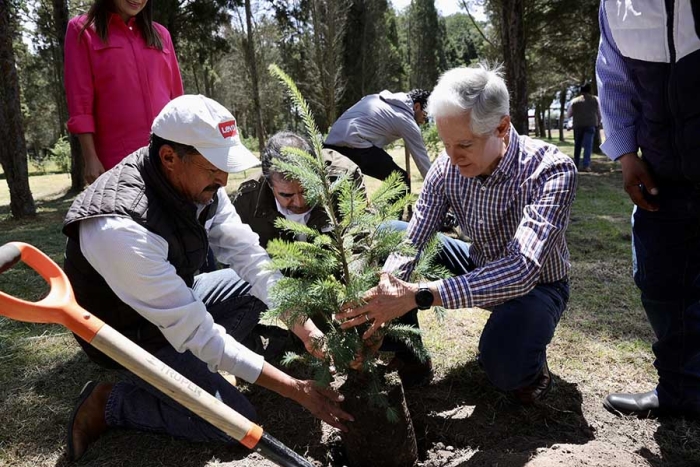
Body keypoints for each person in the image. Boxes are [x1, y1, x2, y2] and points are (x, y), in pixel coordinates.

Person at [61, 95, 352, 461]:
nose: (224, 178)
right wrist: (295, 389)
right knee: (232, 422)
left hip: (176, 297)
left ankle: (223, 369)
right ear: (169, 157)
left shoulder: (199, 183)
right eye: (215, 166)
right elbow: (198, 334)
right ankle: (110, 402)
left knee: (251, 284)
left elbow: (248, 255)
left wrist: (304, 326)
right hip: (131, 335)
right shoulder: (121, 230)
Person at [337, 64, 577, 404]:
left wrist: (419, 294)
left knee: (505, 370)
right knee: (391, 234)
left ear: (502, 127)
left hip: (538, 286)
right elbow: (414, 236)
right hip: (475, 262)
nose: (452, 156)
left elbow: (522, 269)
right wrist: (389, 284)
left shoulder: (551, 170)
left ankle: (531, 369)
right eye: (445, 143)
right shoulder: (448, 167)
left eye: (464, 144)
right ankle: (410, 355)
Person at [596, 0, 700, 419]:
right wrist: (624, 153)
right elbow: (613, 77)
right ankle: (679, 390)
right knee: (657, 281)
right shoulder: (616, 5)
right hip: (660, 173)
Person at [65, 0, 184, 184]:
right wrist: (90, 158)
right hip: (116, 163)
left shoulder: (161, 34)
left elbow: (177, 99)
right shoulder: (82, 29)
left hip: (168, 159)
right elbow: (80, 102)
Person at [233, 131, 365, 249]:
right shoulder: (249, 197)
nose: (300, 203)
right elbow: (237, 251)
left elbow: (363, 237)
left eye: (306, 191)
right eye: (286, 195)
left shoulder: (345, 178)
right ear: (269, 184)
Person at [324, 89, 432, 189]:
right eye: (425, 115)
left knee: (348, 185)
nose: (424, 121)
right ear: (417, 106)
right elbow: (423, 162)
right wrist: (439, 190)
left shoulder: (376, 98)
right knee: (400, 181)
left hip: (330, 144)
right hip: (354, 145)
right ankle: (388, 210)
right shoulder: (406, 121)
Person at [566, 83, 601, 171]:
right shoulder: (595, 99)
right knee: (588, 146)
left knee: (577, 145)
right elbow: (599, 112)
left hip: (578, 125)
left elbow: (569, 114)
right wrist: (598, 122)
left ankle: (576, 164)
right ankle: (586, 165)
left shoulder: (574, 101)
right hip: (590, 124)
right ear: (590, 90)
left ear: (580, 91)